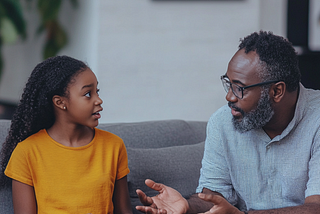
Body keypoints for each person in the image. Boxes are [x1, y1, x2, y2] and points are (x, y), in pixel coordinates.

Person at [135, 31, 320, 214]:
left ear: (277, 91)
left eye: (239, 88)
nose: (229, 96)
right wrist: (186, 205)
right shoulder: (223, 121)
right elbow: (215, 196)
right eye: (228, 83)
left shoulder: (316, 120)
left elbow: (317, 208)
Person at [0, 56, 132, 213]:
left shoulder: (113, 146)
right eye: (88, 94)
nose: (99, 100)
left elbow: (124, 211)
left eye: (97, 91)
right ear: (60, 102)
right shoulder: (27, 152)